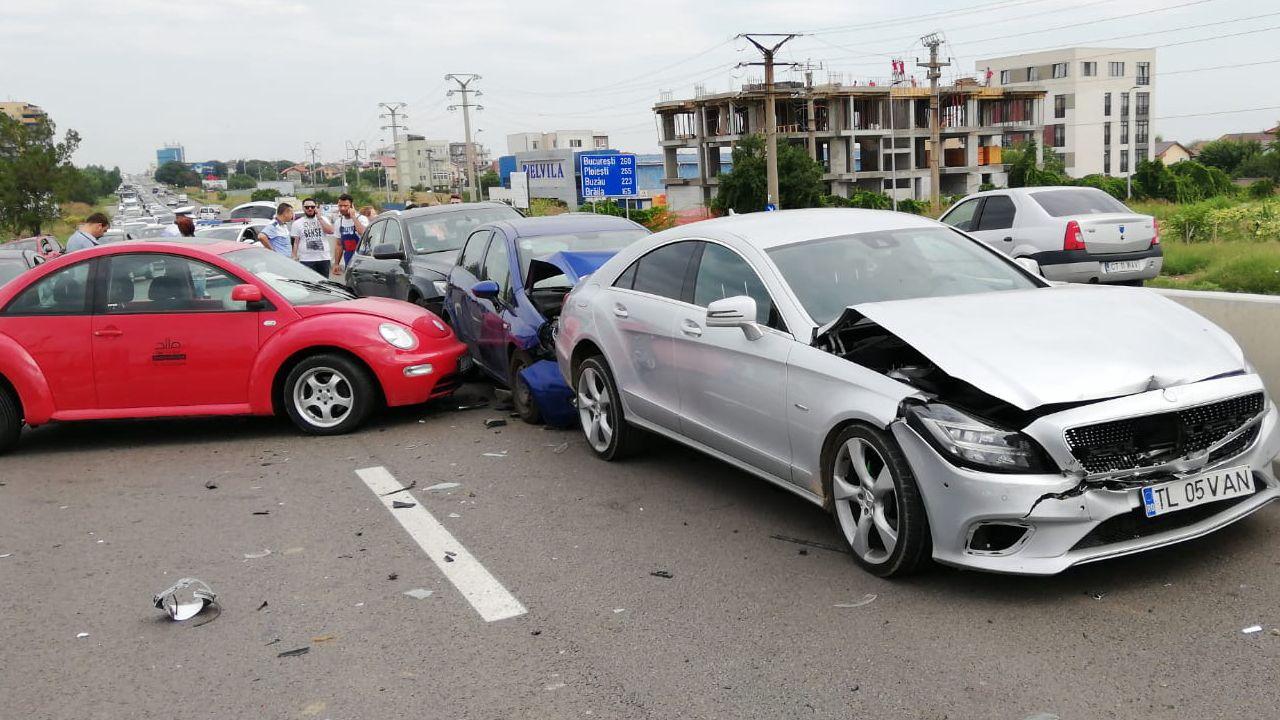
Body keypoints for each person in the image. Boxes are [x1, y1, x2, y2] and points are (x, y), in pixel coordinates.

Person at [291, 197, 335, 275]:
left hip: (323, 258)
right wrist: (294, 256)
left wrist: (319, 218)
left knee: (324, 283)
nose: (310, 209)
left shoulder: (323, 219)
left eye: (312, 207)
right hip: (306, 259)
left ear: (316, 207)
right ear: (303, 208)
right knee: (309, 284)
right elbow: (295, 242)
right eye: (307, 207)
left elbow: (331, 231)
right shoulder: (297, 223)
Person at [330, 193, 368, 277]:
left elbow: (362, 232)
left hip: (362, 258)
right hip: (349, 258)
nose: (342, 208)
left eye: (345, 206)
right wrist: (336, 263)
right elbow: (339, 245)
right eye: (340, 206)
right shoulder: (338, 222)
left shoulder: (361, 219)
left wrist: (353, 217)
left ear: (352, 206)